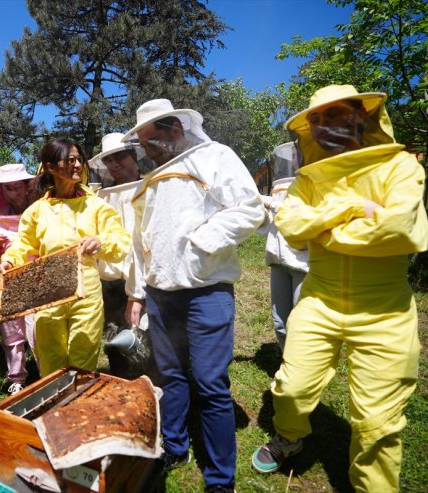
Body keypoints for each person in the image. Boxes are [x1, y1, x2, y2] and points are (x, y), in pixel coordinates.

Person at [250, 85, 428, 493]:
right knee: (291, 388)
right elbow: (292, 230)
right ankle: (290, 438)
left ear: (360, 116)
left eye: (333, 115)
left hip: (385, 309)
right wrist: (349, 209)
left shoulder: (399, 166)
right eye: (316, 119)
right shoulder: (309, 179)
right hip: (319, 299)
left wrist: (323, 230)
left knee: (377, 423)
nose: (322, 125)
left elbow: (401, 231)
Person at [123, 99, 265, 492]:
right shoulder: (146, 183)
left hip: (206, 292)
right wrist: (136, 293)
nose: (148, 148)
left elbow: (249, 209)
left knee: (210, 382)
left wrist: (199, 243)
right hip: (159, 294)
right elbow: (140, 244)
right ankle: (175, 446)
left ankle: (220, 480)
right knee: (170, 376)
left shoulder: (216, 156)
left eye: (153, 138)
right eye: (143, 142)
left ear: (175, 128)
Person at [0, 139, 131, 377]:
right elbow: (24, 244)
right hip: (48, 291)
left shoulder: (97, 206)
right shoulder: (37, 210)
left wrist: (101, 242)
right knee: (51, 360)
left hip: (86, 293)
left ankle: (78, 410)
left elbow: (120, 241)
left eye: (79, 159)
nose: (78, 164)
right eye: (70, 160)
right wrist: (10, 260)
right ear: (51, 167)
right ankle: (54, 410)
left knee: (83, 358)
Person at [89, 132, 155, 378]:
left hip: (145, 276)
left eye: (120, 157)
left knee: (149, 336)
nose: (115, 165)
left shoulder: (149, 187)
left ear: (133, 156)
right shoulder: (98, 197)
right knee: (114, 335)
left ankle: (152, 385)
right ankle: (121, 382)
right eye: (109, 161)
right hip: (109, 279)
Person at [0, 163, 37, 395]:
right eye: (8, 189)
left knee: (39, 331)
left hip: (38, 278)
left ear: (27, 187)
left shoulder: (40, 210)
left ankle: (48, 372)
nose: (14, 193)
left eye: (17, 187)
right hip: (7, 281)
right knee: (11, 333)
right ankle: (17, 378)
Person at [257, 142, 309, 352]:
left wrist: (270, 202)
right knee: (280, 321)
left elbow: (298, 215)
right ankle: (288, 365)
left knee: (302, 321)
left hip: (303, 262)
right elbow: (270, 224)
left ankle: (304, 371)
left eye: (299, 154)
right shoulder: (281, 185)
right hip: (278, 261)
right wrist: (260, 211)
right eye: (293, 155)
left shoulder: (316, 183)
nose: (294, 159)